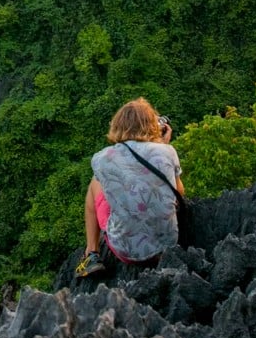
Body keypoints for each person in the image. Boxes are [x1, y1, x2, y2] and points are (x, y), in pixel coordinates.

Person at [76, 97, 184, 276]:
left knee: (95, 183)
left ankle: (92, 253)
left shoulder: (102, 159)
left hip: (126, 251)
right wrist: (162, 146)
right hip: (166, 246)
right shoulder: (168, 151)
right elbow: (179, 193)